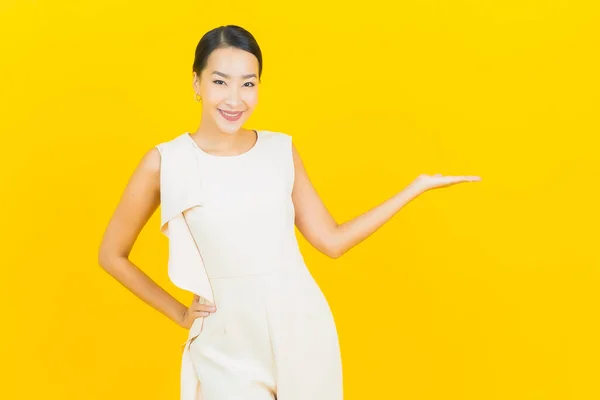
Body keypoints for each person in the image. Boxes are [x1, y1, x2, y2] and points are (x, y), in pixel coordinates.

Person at [97, 25, 481, 400]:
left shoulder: (280, 151)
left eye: (248, 83)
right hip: (225, 343)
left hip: (302, 328)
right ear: (196, 83)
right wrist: (180, 313)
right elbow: (112, 255)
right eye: (220, 81)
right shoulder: (165, 162)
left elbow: (331, 242)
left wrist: (413, 189)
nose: (235, 99)